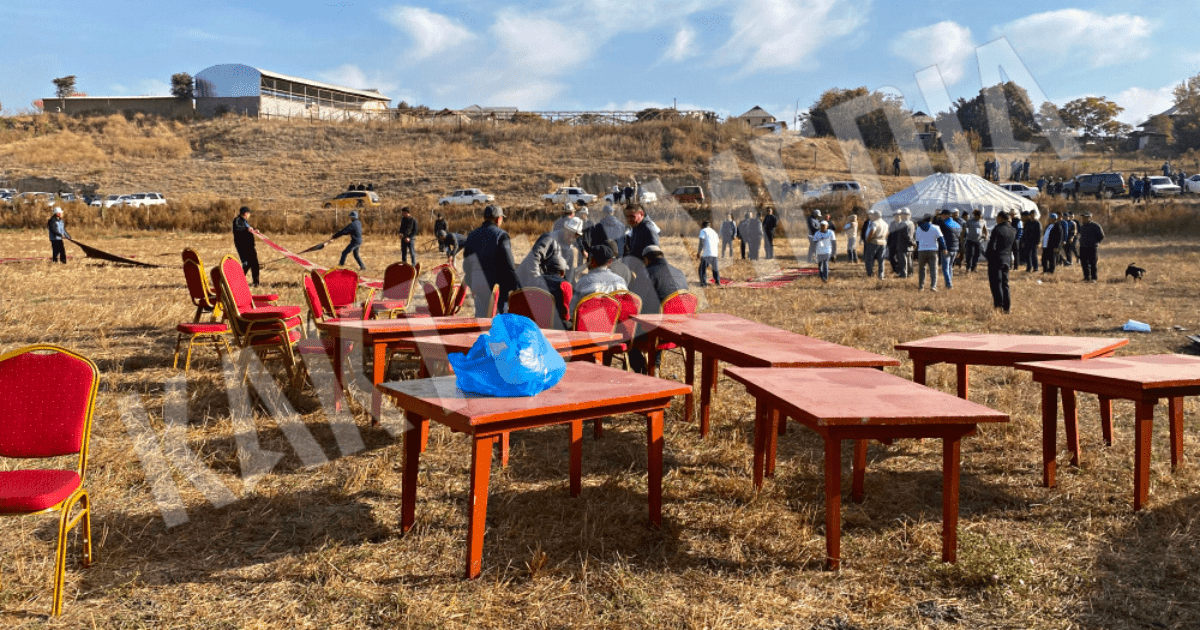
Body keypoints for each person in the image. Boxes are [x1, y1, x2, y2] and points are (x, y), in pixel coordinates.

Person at [629, 244, 687, 374]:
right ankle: (654, 366)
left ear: (646, 260)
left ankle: (643, 370)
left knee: (627, 331)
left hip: (657, 331)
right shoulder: (679, 272)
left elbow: (635, 300)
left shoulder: (647, 273)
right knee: (659, 318)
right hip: (679, 330)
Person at [463, 205, 519, 317]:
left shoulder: (472, 235)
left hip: (478, 286)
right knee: (498, 321)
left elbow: (466, 265)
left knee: (481, 319)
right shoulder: (501, 235)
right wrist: (516, 287)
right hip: (497, 289)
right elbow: (509, 265)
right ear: (498, 219)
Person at [518, 216, 582, 285]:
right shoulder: (549, 239)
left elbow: (569, 275)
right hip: (526, 280)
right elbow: (533, 259)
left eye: (575, 237)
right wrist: (537, 281)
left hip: (544, 284)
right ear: (565, 229)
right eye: (570, 234)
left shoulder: (570, 251)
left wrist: (568, 290)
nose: (572, 239)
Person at [571, 242, 627, 314]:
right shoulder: (620, 281)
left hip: (588, 323)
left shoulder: (583, 281)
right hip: (612, 324)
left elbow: (572, 311)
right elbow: (624, 308)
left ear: (592, 260)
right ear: (610, 262)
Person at [985, 210, 1019, 313]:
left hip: (996, 259)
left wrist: (988, 256)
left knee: (996, 284)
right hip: (1007, 260)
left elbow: (992, 246)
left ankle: (998, 306)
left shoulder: (997, 229)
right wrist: (1016, 262)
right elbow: (1015, 247)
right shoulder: (1013, 230)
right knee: (1005, 284)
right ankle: (1007, 308)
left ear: (1000, 218)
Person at [622, 203, 659, 273]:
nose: (629, 219)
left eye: (632, 216)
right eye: (627, 216)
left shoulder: (648, 229)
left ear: (641, 214)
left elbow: (655, 255)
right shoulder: (636, 227)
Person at [914, 213, 945, 291]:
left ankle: (921, 287)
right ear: (931, 220)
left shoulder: (918, 229)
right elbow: (941, 239)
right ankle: (933, 286)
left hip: (921, 251)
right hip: (933, 250)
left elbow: (917, 241)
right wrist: (944, 248)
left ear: (923, 219)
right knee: (933, 269)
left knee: (921, 269)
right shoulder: (935, 227)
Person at [232, 206, 260, 284]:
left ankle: (256, 282)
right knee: (246, 264)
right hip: (242, 246)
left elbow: (248, 229)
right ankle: (238, 281)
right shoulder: (237, 220)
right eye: (248, 213)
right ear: (246, 213)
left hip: (250, 246)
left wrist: (254, 230)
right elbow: (239, 229)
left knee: (255, 264)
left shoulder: (245, 221)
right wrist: (248, 229)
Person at [1077, 212, 1105, 283]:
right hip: (1083, 247)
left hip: (1092, 247)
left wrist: (1095, 242)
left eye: (1085, 217)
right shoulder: (1082, 226)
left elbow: (1101, 236)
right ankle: (1086, 277)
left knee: (1093, 263)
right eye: (1082, 217)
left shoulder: (1095, 226)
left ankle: (1094, 278)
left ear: (1089, 218)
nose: (1083, 219)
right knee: (1084, 263)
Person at [936, 209, 960, 289]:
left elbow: (940, 237)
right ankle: (949, 281)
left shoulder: (943, 224)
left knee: (945, 268)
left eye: (941, 216)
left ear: (945, 215)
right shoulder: (957, 225)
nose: (941, 217)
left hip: (946, 249)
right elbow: (961, 238)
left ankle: (949, 285)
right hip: (955, 248)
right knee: (950, 267)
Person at [887, 208, 914, 277]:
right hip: (909, 246)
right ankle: (909, 274)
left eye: (901, 215)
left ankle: (903, 274)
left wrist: (911, 242)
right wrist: (913, 243)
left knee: (903, 261)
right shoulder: (911, 223)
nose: (900, 216)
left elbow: (906, 235)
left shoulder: (903, 224)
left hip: (902, 245)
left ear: (905, 215)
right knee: (909, 261)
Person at [862, 209, 888, 279]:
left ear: (876, 216)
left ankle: (870, 274)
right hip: (883, 242)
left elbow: (872, 231)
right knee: (881, 260)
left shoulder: (875, 223)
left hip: (874, 242)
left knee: (869, 259)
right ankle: (881, 275)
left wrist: (868, 239)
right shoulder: (885, 223)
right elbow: (887, 233)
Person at [697, 220, 721, 287]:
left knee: (702, 269)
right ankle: (717, 282)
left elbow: (701, 242)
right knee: (715, 268)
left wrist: (699, 252)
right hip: (715, 253)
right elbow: (717, 242)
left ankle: (704, 283)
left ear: (703, 226)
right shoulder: (714, 232)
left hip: (707, 253)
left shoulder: (703, 231)